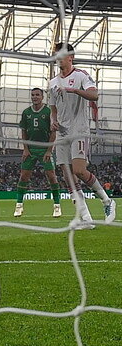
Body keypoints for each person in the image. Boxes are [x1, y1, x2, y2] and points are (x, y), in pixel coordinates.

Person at [48, 43, 115, 228]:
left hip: (79, 130)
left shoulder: (81, 75)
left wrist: (75, 90)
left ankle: (107, 201)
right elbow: (53, 108)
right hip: (62, 133)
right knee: (68, 175)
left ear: (71, 57)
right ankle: (86, 218)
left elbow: (94, 96)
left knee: (78, 170)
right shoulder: (53, 82)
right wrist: (53, 120)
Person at [15, 87, 62, 218]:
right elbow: (23, 131)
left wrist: (49, 150)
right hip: (30, 149)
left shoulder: (48, 112)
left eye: (37, 95)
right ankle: (19, 205)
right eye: (33, 95)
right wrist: (25, 149)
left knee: (51, 176)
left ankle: (57, 206)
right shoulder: (26, 112)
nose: (35, 97)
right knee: (23, 176)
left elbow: (53, 132)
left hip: (44, 149)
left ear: (42, 97)